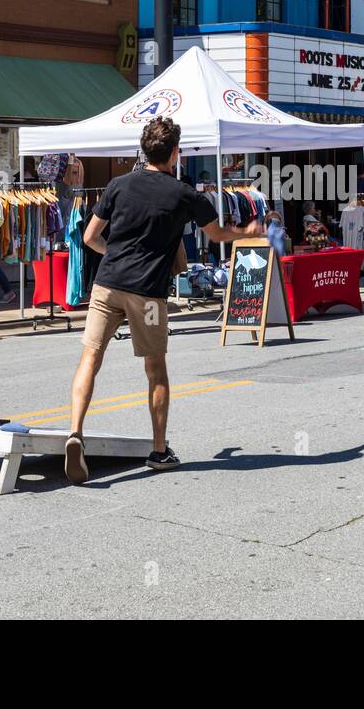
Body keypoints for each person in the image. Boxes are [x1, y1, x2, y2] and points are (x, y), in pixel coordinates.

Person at [65, 117, 262, 482]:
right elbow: (216, 234)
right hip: (148, 295)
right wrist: (244, 231)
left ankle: (75, 431)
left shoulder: (118, 185)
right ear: (174, 153)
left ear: (144, 149)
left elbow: (90, 236)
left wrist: (115, 256)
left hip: (107, 285)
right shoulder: (185, 195)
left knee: (90, 358)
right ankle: (159, 450)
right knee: (156, 370)